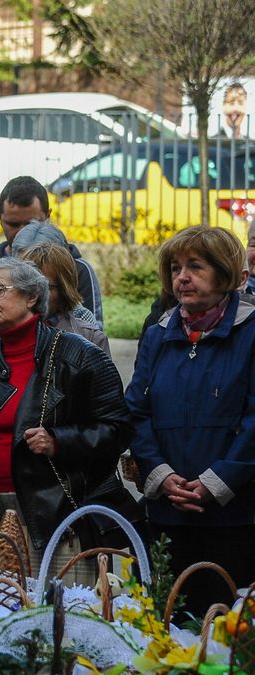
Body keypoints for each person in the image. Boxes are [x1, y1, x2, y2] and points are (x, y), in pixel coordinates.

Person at [0, 257, 132, 582]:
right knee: (2, 616)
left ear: (32, 297)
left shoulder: (79, 355)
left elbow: (119, 429)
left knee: (64, 619)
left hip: (59, 515)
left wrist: (60, 441)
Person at [127, 226, 255, 615]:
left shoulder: (249, 331)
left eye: (195, 267)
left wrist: (217, 482)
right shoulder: (158, 334)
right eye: (176, 267)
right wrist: (162, 475)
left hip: (237, 517)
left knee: (227, 634)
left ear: (225, 272)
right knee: (167, 626)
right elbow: (135, 410)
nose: (181, 277)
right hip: (169, 513)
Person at [0, 176, 102, 328]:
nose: (22, 232)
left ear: (48, 216)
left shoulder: (78, 270)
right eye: (13, 224)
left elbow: (93, 336)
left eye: (32, 223)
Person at [0, 241, 109, 361]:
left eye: (46, 287)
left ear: (64, 290)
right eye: (28, 286)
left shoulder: (90, 339)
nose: (37, 293)